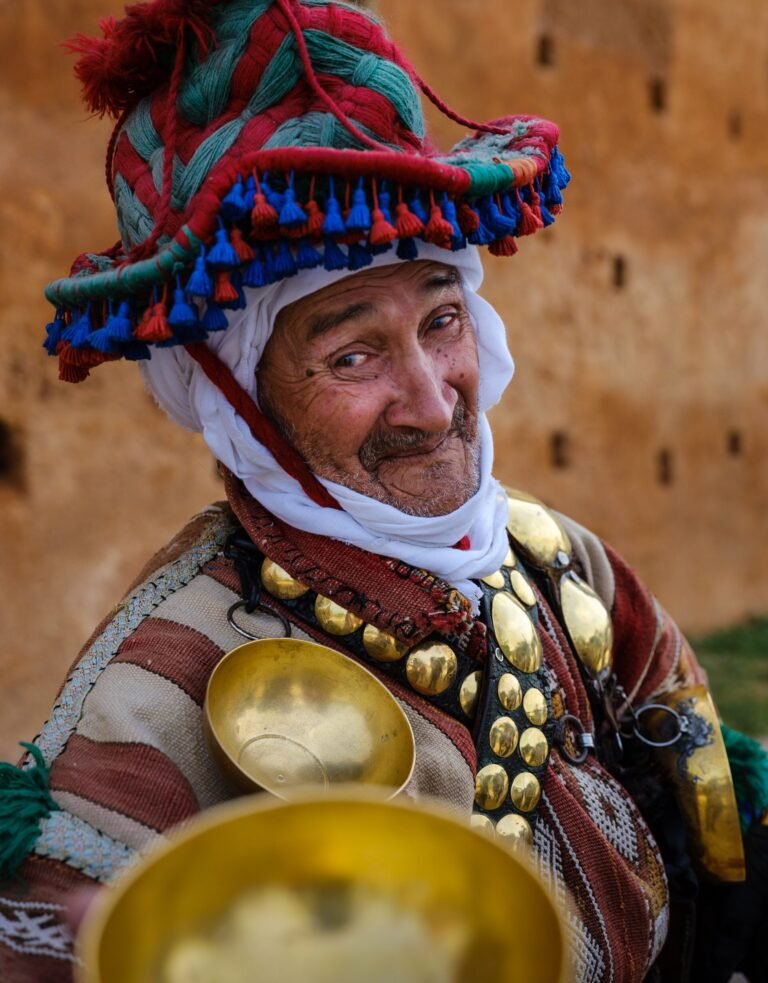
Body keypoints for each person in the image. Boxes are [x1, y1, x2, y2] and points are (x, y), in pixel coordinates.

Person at [0, 1, 765, 981]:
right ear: (241, 399)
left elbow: (709, 777)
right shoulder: (160, 691)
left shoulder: (556, 557)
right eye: (353, 352)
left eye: (443, 321)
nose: (429, 398)